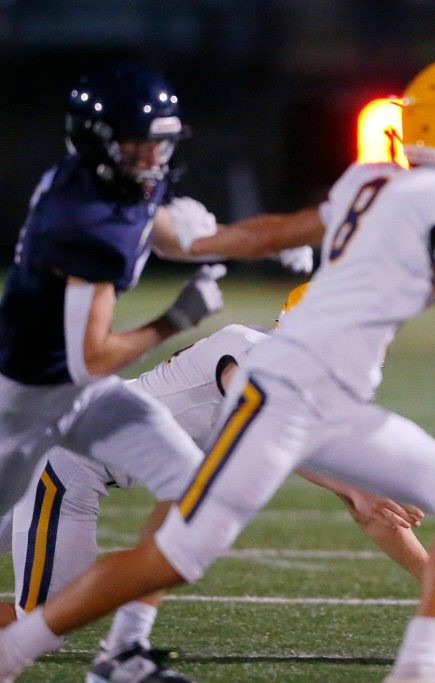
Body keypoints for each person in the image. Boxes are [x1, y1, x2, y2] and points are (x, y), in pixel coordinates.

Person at [0, 57, 435, 683]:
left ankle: (415, 669)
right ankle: (39, 652)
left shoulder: (370, 182)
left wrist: (208, 239)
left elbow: (275, 231)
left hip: (313, 406)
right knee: (147, 566)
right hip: (101, 435)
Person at [2, 285, 435, 681]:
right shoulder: (247, 349)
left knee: (161, 541)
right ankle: (120, 654)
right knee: (43, 622)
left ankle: (124, 651)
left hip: (66, 459)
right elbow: (262, 420)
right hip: (61, 462)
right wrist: (350, 485)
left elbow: (370, 511)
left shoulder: (293, 382)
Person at [0, 62, 314, 680]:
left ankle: (123, 654)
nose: (151, 158)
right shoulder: (85, 225)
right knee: (45, 619)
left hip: (81, 400)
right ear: (100, 143)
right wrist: (178, 317)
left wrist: (278, 238)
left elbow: (185, 239)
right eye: (137, 144)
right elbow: (90, 357)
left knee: (197, 493)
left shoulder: (108, 189)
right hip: (26, 412)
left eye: (158, 143)